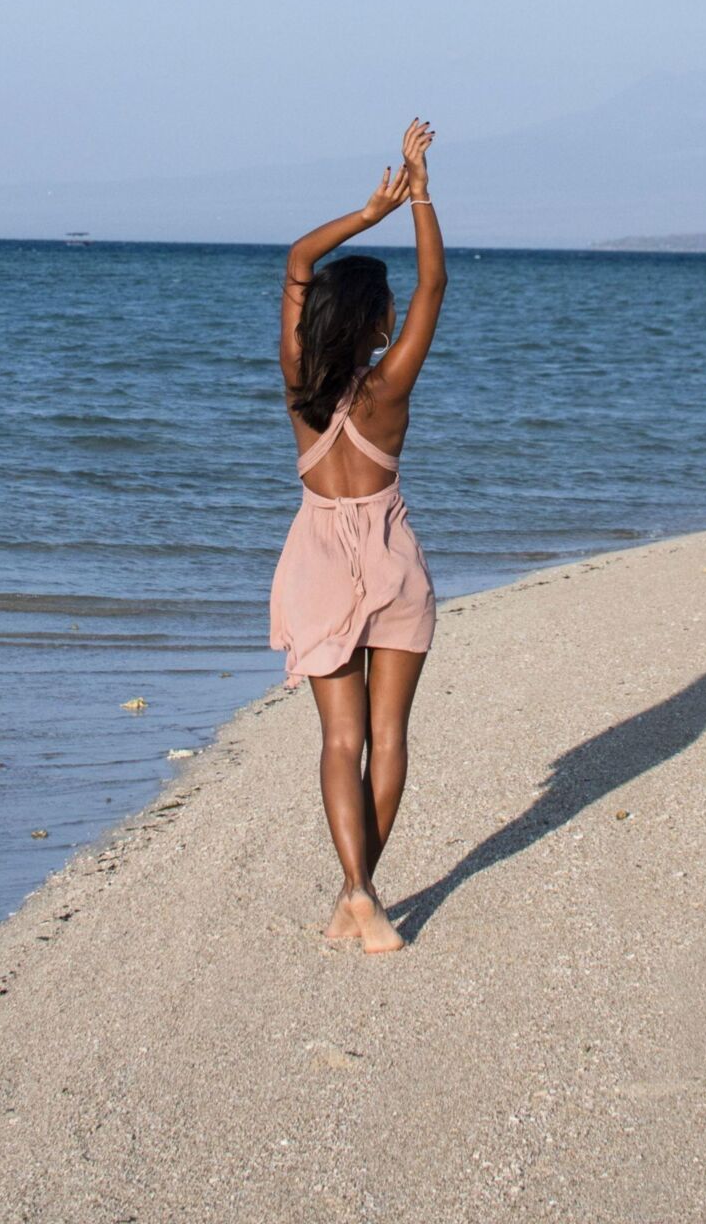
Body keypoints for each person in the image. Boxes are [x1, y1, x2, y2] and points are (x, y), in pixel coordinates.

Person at [271, 117, 445, 953]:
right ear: (377, 321)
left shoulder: (300, 387)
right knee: (388, 739)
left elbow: (299, 263)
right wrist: (420, 195)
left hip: (314, 562)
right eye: (386, 311)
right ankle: (361, 893)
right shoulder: (391, 389)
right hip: (388, 561)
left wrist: (367, 213)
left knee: (339, 740)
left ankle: (358, 894)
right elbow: (435, 288)